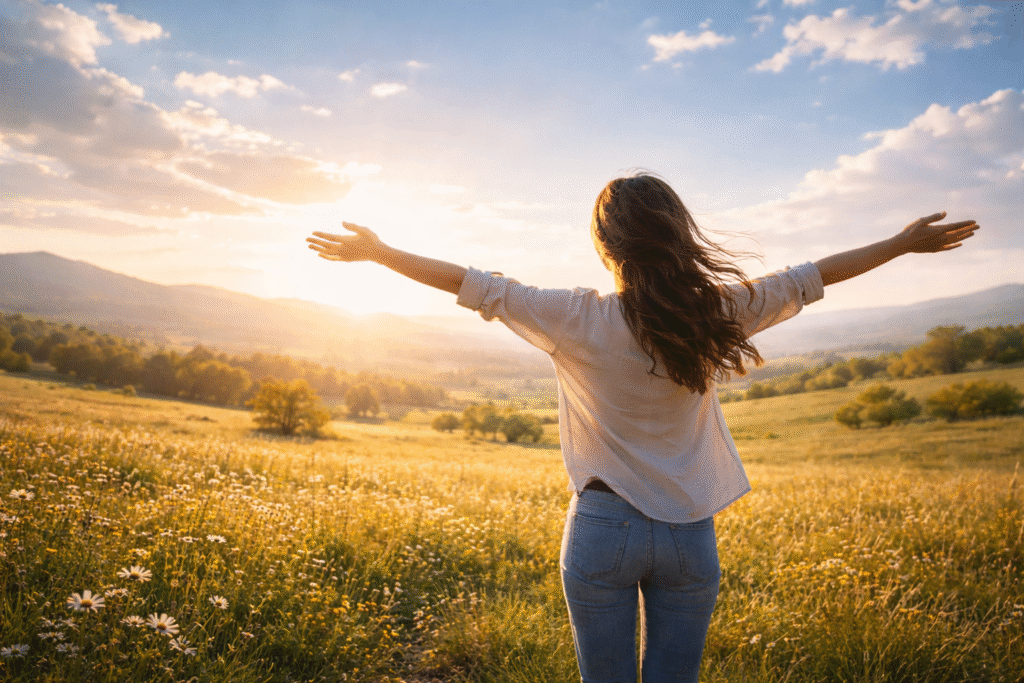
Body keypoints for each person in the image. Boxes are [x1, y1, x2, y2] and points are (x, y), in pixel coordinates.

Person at [306, 173, 978, 683]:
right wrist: (900, 243)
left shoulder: (573, 316)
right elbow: (812, 275)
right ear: (678, 234)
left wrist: (381, 252)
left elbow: (474, 283)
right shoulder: (718, 310)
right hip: (690, 534)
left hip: (601, 528)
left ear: (604, 244)